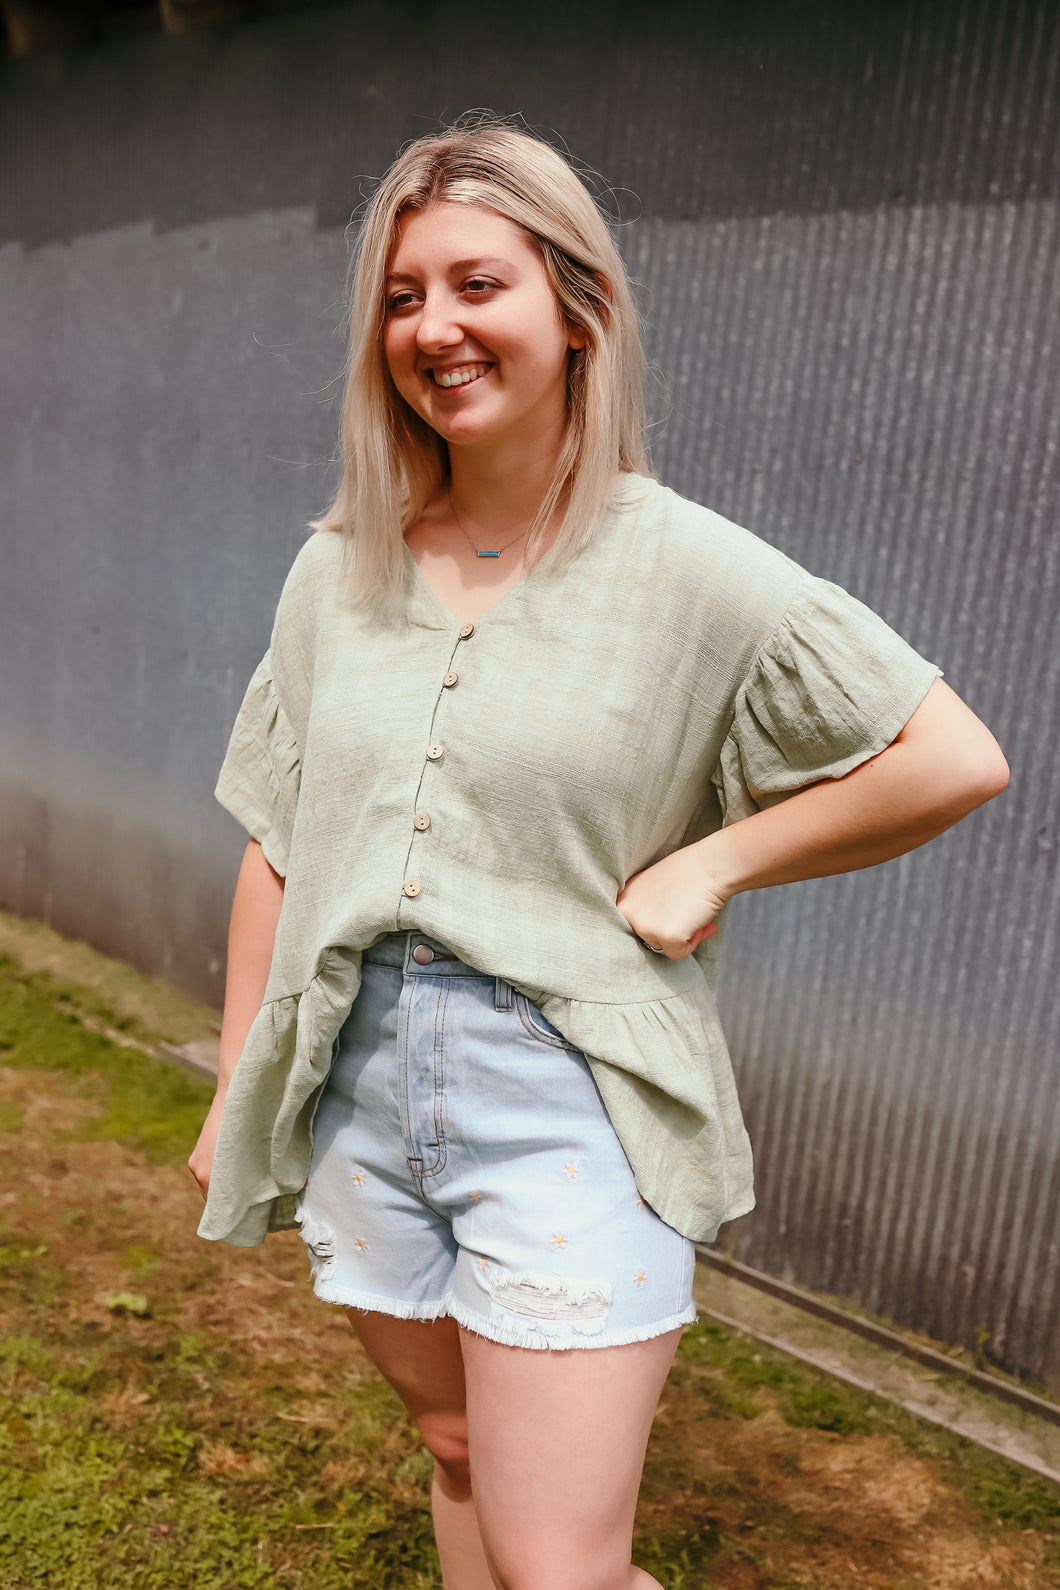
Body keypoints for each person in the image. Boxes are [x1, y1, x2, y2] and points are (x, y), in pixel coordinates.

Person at [188, 118, 1009, 1590]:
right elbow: (276, 829)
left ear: (578, 310)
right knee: (453, 1451)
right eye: (399, 294)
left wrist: (715, 865)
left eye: (476, 283)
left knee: (563, 1564)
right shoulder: (340, 565)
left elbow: (951, 757)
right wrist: (244, 1060)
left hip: (564, 1099)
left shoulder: (685, 564)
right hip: (360, 1095)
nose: (433, 325)